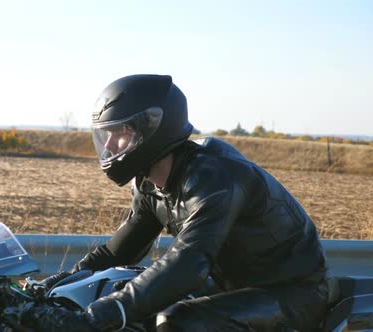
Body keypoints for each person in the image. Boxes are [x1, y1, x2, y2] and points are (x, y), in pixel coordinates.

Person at [35, 74, 329, 331]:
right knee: (120, 290)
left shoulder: (215, 177)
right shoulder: (150, 185)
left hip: (293, 291)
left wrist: (96, 318)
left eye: (120, 134)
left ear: (151, 128)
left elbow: (189, 262)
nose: (109, 146)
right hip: (232, 286)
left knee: (177, 322)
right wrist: (55, 285)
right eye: (106, 135)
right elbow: (118, 252)